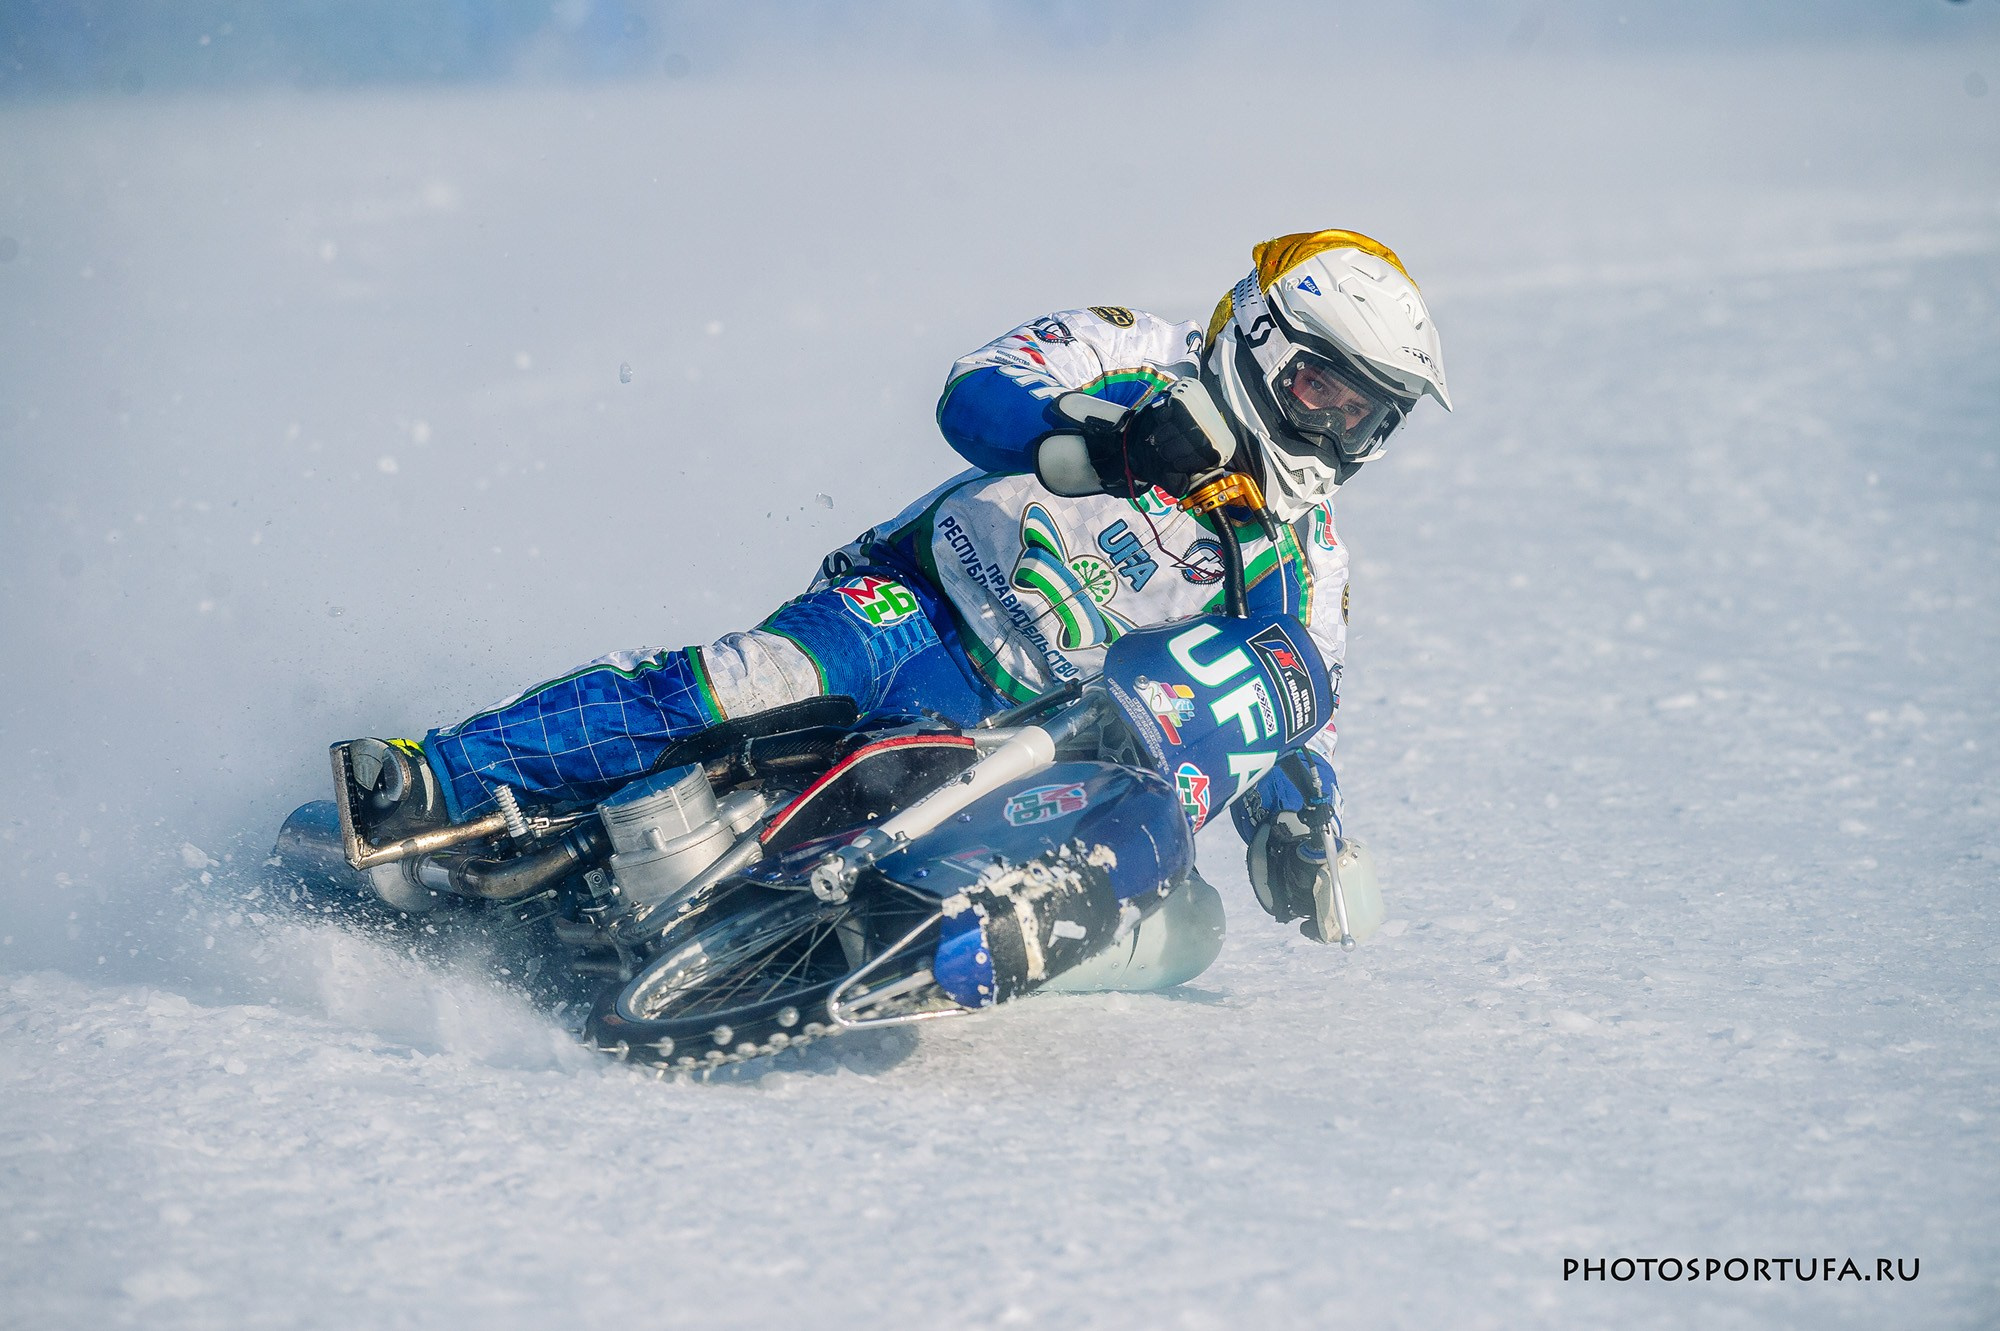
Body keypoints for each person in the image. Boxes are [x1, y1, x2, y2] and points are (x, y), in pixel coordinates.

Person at [345, 228, 1450, 946]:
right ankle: (432, 774)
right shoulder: (1133, 350)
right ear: (1259, 337)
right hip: (916, 601)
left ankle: (872, 942)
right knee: (745, 682)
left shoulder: (1306, 562)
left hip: (1030, 732)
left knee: (1126, 850)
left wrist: (1298, 826)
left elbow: (1282, 709)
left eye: (1364, 416)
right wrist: (1109, 440)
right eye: (1321, 389)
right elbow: (976, 391)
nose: (1333, 431)